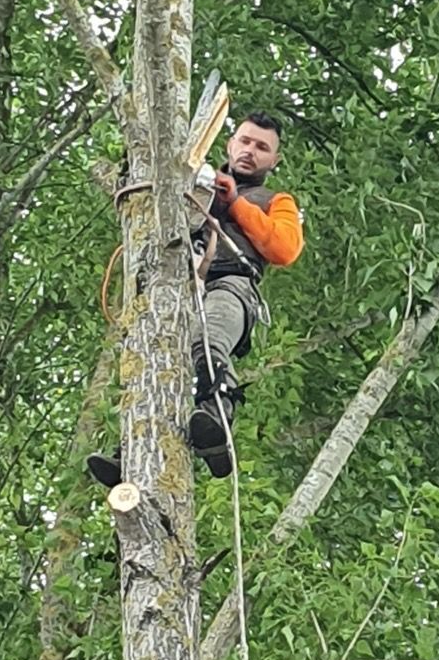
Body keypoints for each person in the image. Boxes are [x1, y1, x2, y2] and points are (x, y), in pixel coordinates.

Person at [87, 111, 303, 486]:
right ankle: (133, 453)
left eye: (262, 147)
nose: (251, 151)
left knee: (209, 339)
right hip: (172, 284)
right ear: (230, 143)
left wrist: (234, 202)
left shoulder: (275, 200)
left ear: (274, 160)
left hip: (230, 283)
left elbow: (284, 248)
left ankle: (217, 421)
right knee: (152, 363)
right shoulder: (191, 179)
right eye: (246, 141)